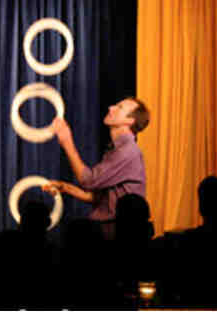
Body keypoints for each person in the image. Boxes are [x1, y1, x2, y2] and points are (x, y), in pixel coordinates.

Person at [45, 97, 150, 240]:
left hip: (117, 234)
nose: (111, 108)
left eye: (119, 107)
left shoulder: (127, 151)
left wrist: (66, 141)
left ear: (130, 121)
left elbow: (88, 181)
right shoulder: (118, 149)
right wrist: (65, 187)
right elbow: (97, 198)